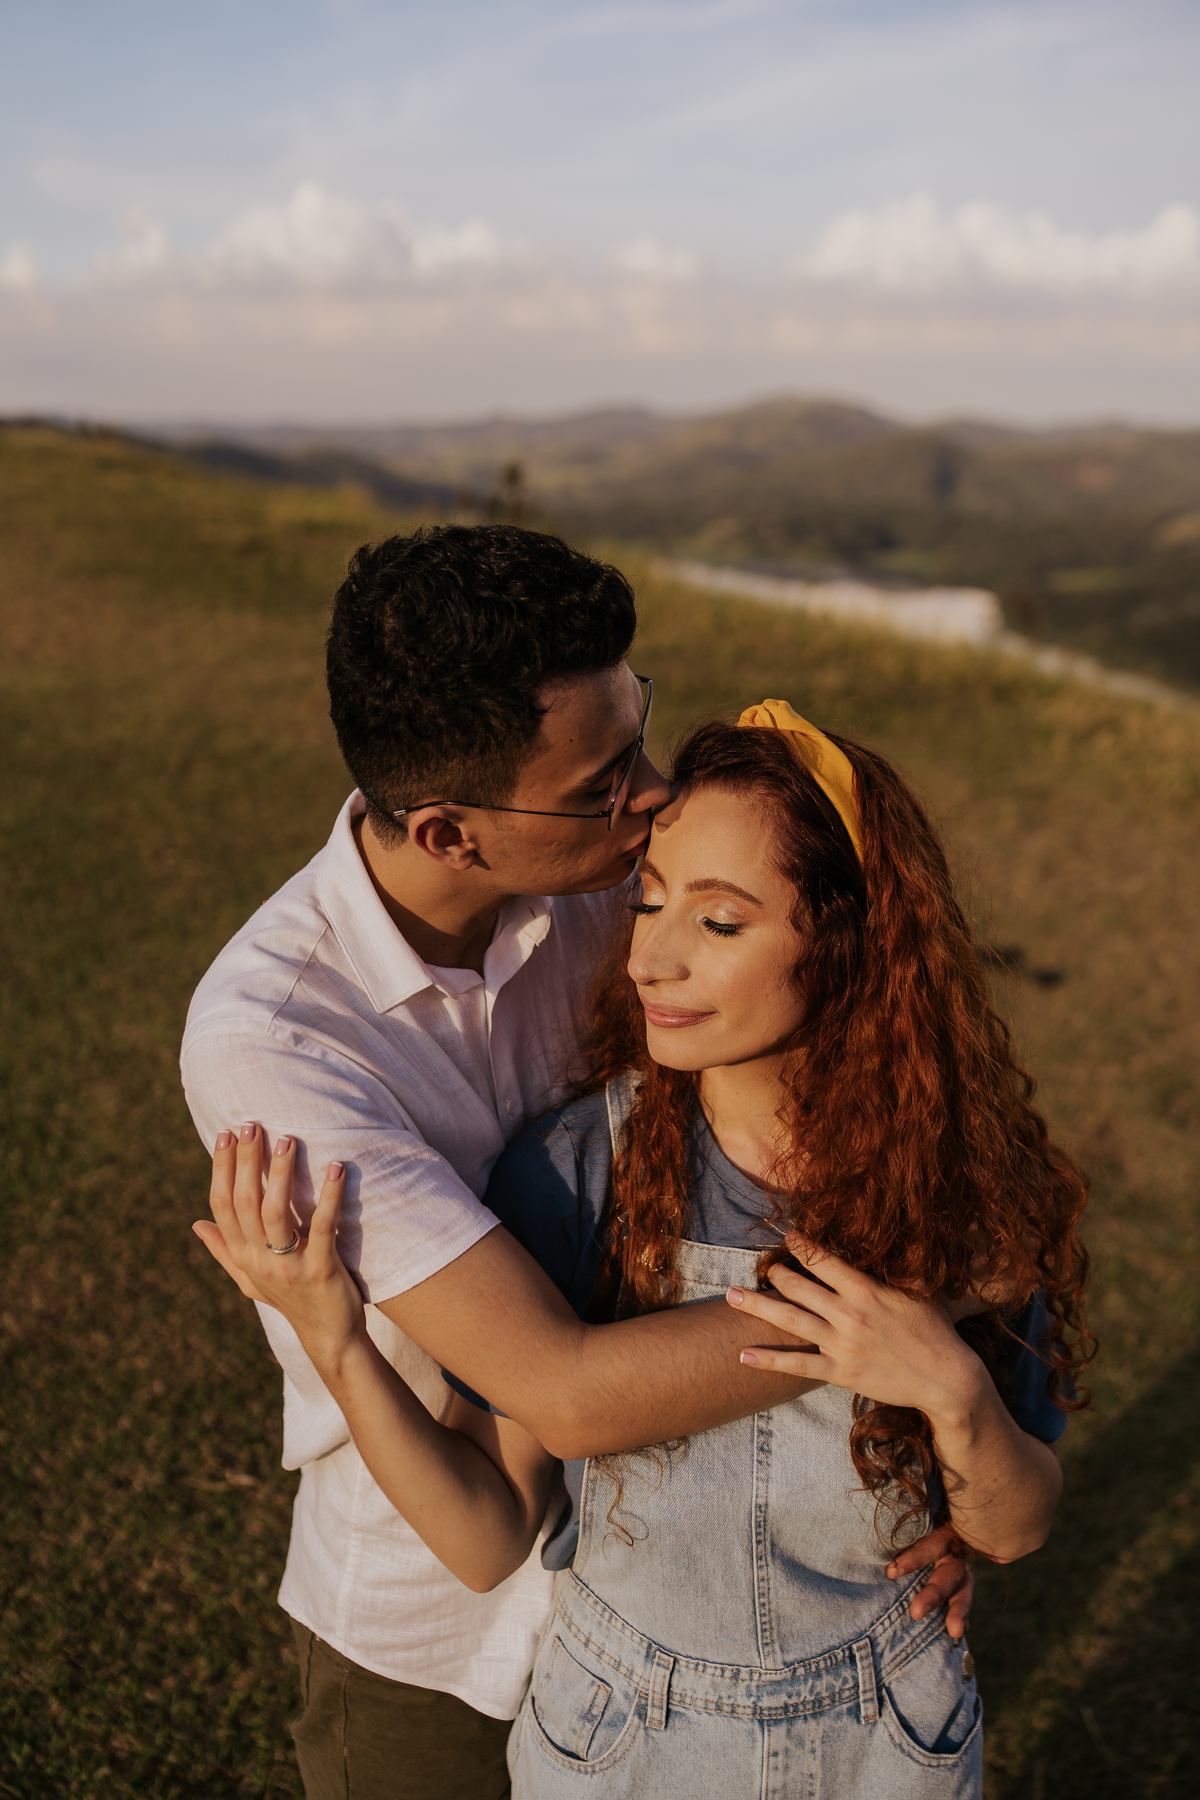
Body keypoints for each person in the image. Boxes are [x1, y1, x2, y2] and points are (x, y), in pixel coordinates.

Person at [184, 529, 969, 1800]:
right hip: (439, 1607)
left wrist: (939, 1449)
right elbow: (567, 1390)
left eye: (638, 728)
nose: (652, 794)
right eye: (607, 780)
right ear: (448, 832)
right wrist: (902, 1313)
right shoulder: (272, 1044)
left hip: (697, 1562)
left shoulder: (616, 879)